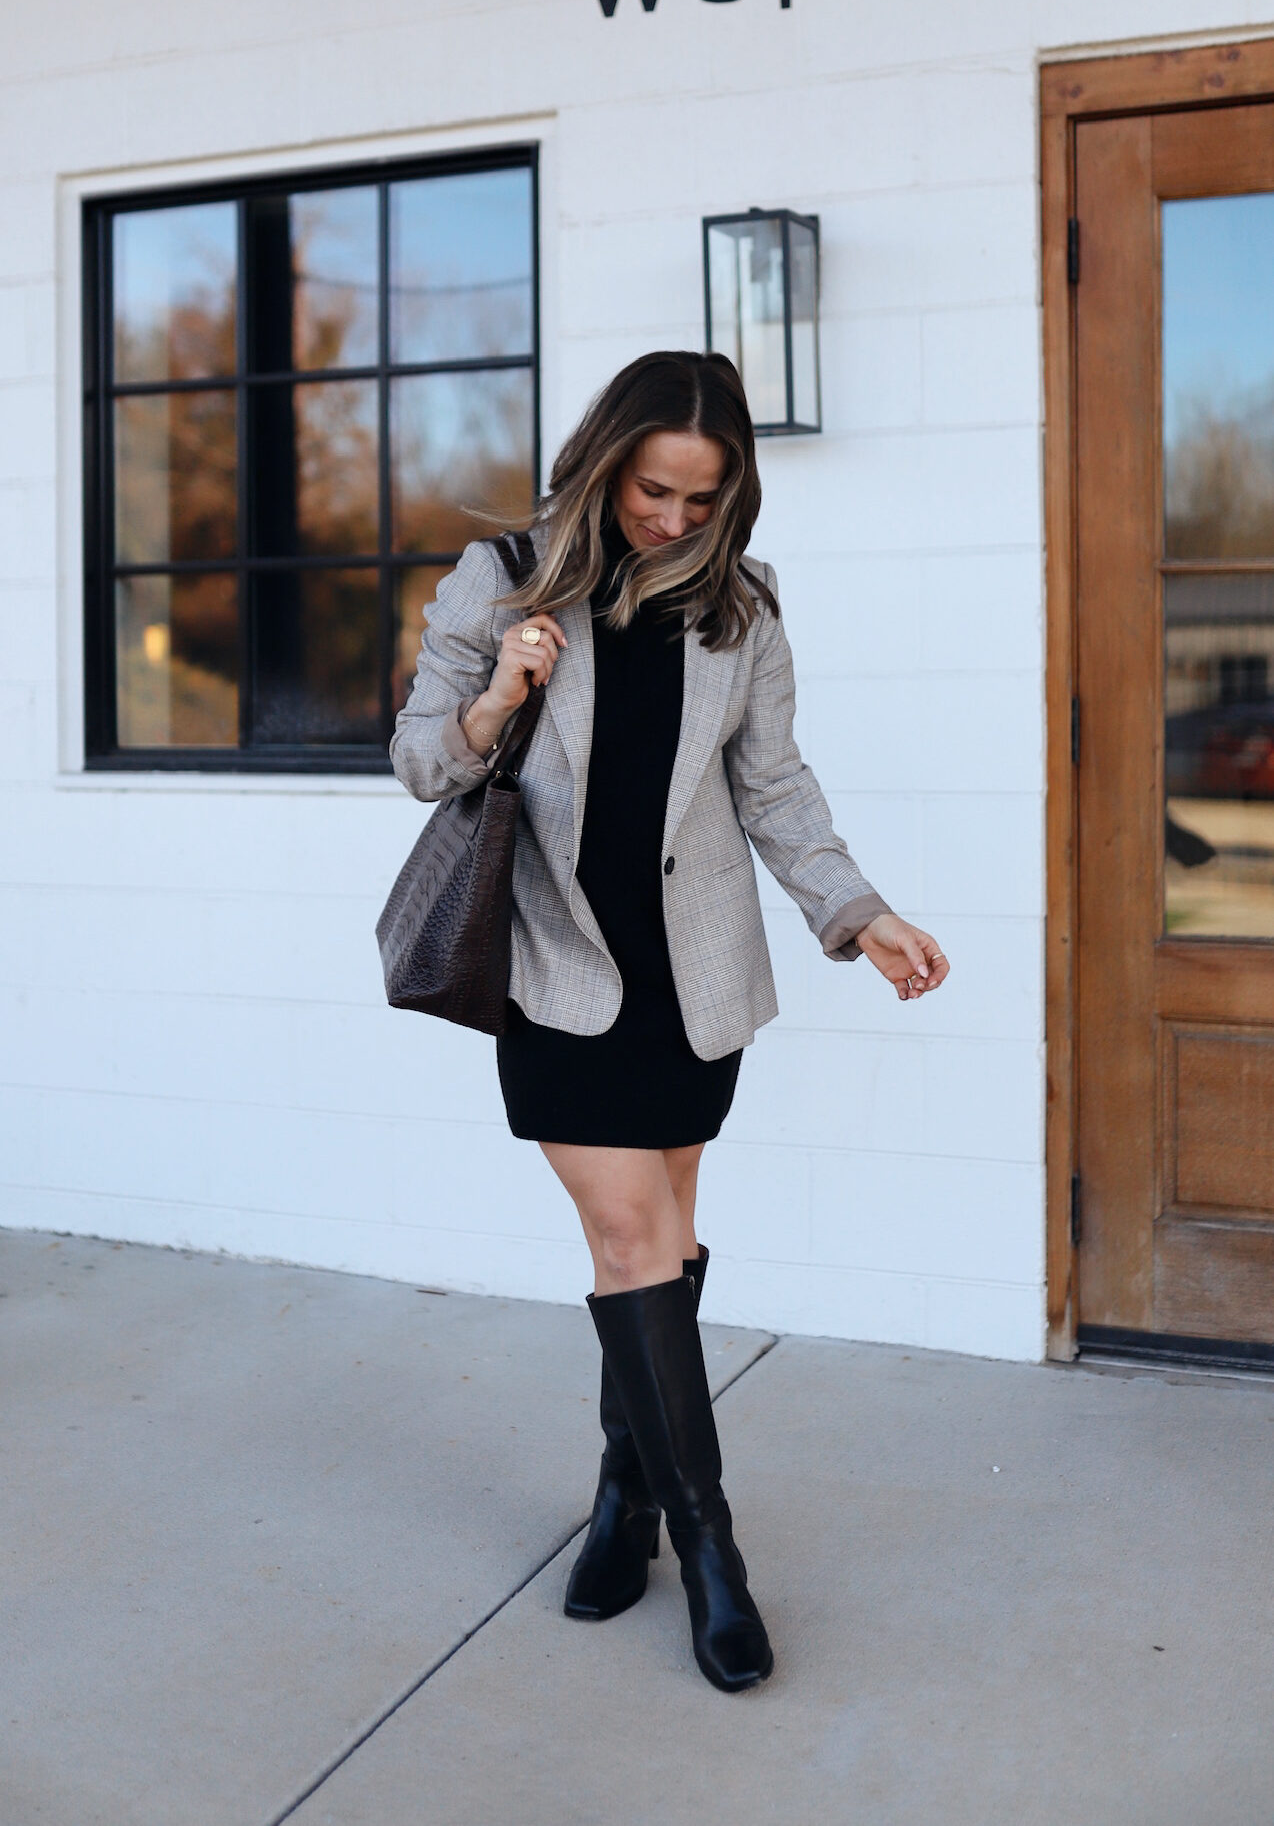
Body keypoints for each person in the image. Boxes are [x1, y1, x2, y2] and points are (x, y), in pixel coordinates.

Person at [390, 351, 949, 1693]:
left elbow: (775, 789)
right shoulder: (504, 580)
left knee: (664, 1247)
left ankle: (621, 1501)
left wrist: (856, 911)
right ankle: (711, 1553)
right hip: (556, 970)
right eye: (654, 491)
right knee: (630, 1239)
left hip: (692, 981)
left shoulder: (740, 605)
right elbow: (418, 761)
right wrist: (500, 694)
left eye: (703, 500)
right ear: (606, 464)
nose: (674, 519)